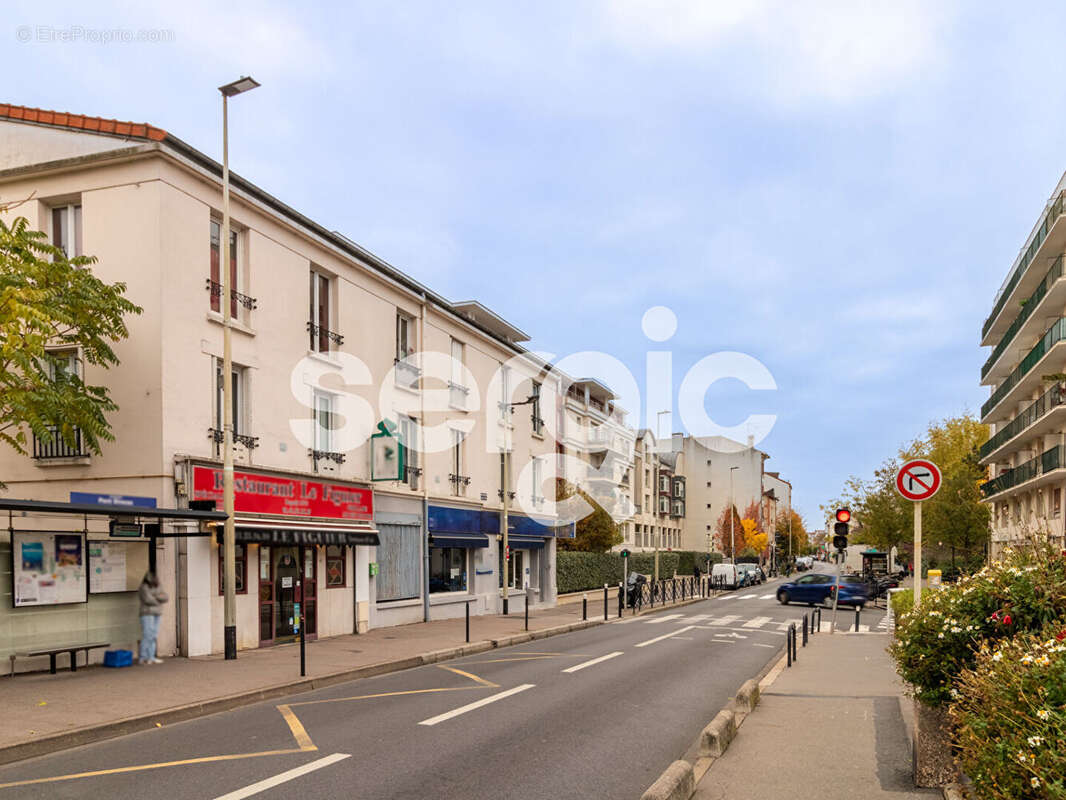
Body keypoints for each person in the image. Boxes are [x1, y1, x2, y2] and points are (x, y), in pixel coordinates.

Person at [138, 571, 168, 665]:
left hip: (157, 613)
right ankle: (142, 657)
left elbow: (166, 597)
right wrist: (158, 599)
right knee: (147, 635)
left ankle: (151, 657)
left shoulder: (158, 586)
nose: (155, 579)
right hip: (147, 613)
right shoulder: (144, 587)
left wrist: (155, 597)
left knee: (154, 635)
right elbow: (148, 599)